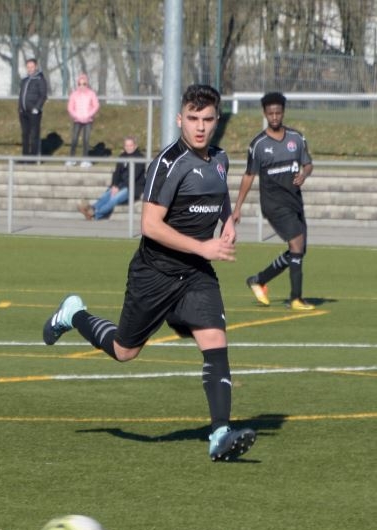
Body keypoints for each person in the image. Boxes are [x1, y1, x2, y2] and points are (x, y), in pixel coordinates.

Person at [42, 84, 256, 462]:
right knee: (125, 351)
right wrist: (205, 246)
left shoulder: (220, 159)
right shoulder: (167, 164)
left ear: (216, 121)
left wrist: (227, 222)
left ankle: (220, 433)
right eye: (193, 119)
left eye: (207, 119)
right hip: (154, 273)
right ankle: (74, 313)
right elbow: (150, 225)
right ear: (180, 119)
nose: (200, 127)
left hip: (194, 274)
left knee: (216, 343)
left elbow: (220, 196)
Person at [232, 91, 315, 310]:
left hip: (294, 201)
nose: (275, 117)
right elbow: (249, 175)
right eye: (271, 113)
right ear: (265, 114)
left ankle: (258, 280)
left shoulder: (296, 138)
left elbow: (308, 164)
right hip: (273, 203)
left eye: (278, 112)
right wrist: (237, 207)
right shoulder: (258, 144)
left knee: (299, 250)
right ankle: (296, 299)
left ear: (283, 112)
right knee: (296, 243)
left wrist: (304, 174)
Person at [78, 135, 145, 220]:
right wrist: (114, 185)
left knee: (114, 199)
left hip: (133, 187)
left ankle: (95, 214)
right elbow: (117, 173)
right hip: (121, 185)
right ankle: (92, 208)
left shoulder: (139, 158)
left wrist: (119, 188)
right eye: (126, 145)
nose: (128, 148)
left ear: (135, 146)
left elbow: (133, 177)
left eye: (130, 145)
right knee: (106, 195)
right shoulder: (122, 156)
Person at [65, 73, 100, 167]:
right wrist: (75, 115)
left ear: (87, 84)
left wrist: (89, 115)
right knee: (74, 139)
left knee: (86, 139)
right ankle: (72, 158)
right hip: (77, 120)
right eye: (80, 84)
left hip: (88, 120)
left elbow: (96, 105)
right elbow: (70, 107)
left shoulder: (91, 93)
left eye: (84, 84)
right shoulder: (74, 94)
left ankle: (85, 159)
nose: (82, 86)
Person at [17, 58, 48, 161]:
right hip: (23, 111)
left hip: (34, 112)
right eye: (28, 67)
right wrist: (20, 108)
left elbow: (43, 95)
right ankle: (25, 156)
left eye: (32, 67)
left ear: (36, 67)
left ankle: (33, 158)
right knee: (25, 134)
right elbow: (21, 95)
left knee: (34, 135)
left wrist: (36, 108)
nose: (30, 69)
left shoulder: (40, 79)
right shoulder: (25, 80)